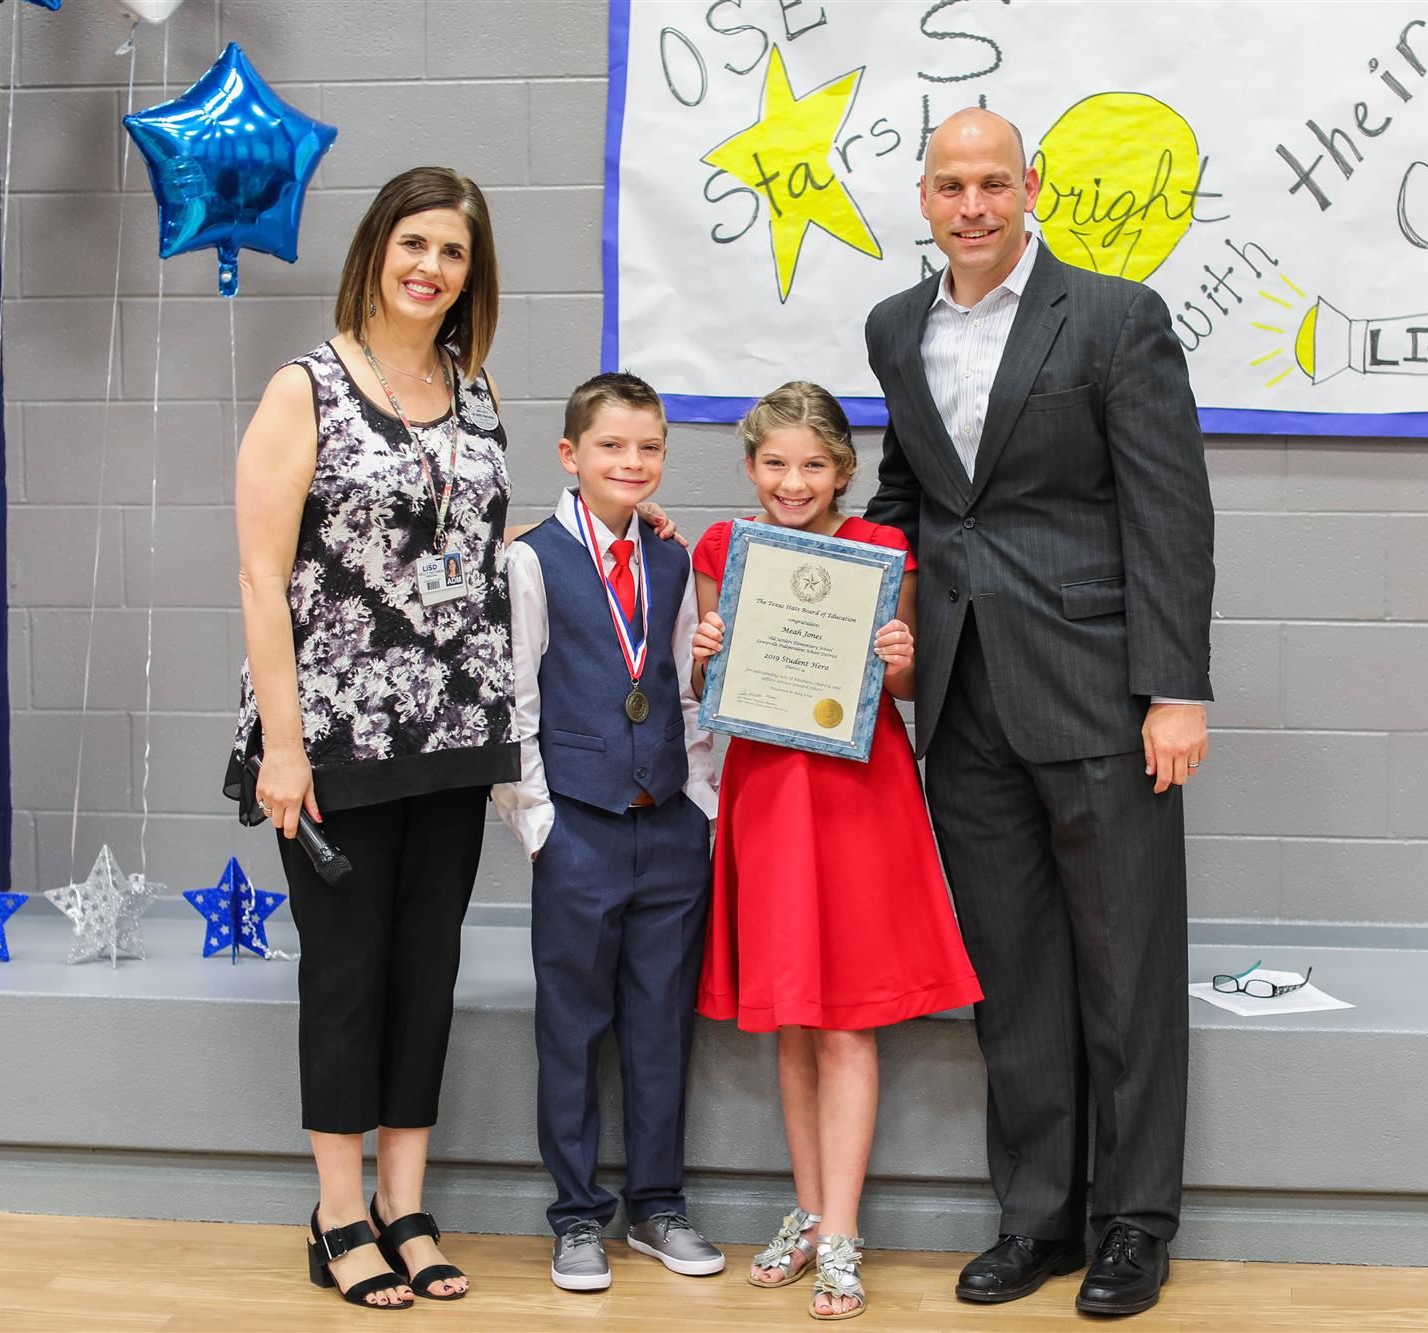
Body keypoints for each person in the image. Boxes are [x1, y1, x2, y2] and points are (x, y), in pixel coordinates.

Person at [862, 109, 1216, 1318]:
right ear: (923, 197)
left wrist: (1172, 690)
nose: (972, 205)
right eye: (950, 185)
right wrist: (845, 606)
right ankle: (1037, 1217)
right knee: (1009, 978)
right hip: (960, 707)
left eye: (992, 183)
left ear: (1031, 188)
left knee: (1124, 976)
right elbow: (909, 496)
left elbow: (1168, 511)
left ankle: (1130, 1223)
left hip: (1098, 697)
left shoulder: (1114, 318)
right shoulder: (894, 328)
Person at [227, 166, 513, 1311]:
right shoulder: (305, 387)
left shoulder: (474, 387)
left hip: (452, 731)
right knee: (347, 971)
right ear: (376, 250)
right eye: (415, 244)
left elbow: (472, 552)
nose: (430, 268)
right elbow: (259, 575)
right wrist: (282, 748)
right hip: (333, 736)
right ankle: (337, 1211)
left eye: (452, 252)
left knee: (425, 968)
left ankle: (406, 1200)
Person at [692, 382, 985, 1322]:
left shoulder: (883, 551)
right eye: (775, 463)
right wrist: (705, 649)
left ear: (844, 473)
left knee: (846, 1017)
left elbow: (901, 683)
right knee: (790, 1014)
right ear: (750, 468)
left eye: (814, 464)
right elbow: (708, 681)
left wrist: (900, 651)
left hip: (858, 794)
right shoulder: (722, 551)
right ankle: (810, 1211)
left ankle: (845, 1231)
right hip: (769, 794)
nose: (793, 481)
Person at [491, 372, 725, 1292]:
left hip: (668, 824)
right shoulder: (533, 559)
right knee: (572, 1025)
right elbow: (517, 697)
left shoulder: (672, 561)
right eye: (612, 447)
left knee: (661, 1024)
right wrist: (539, 822)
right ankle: (577, 1213)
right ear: (570, 456)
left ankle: (657, 1206)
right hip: (578, 827)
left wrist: (699, 800)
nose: (632, 463)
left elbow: (682, 686)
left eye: (649, 448)